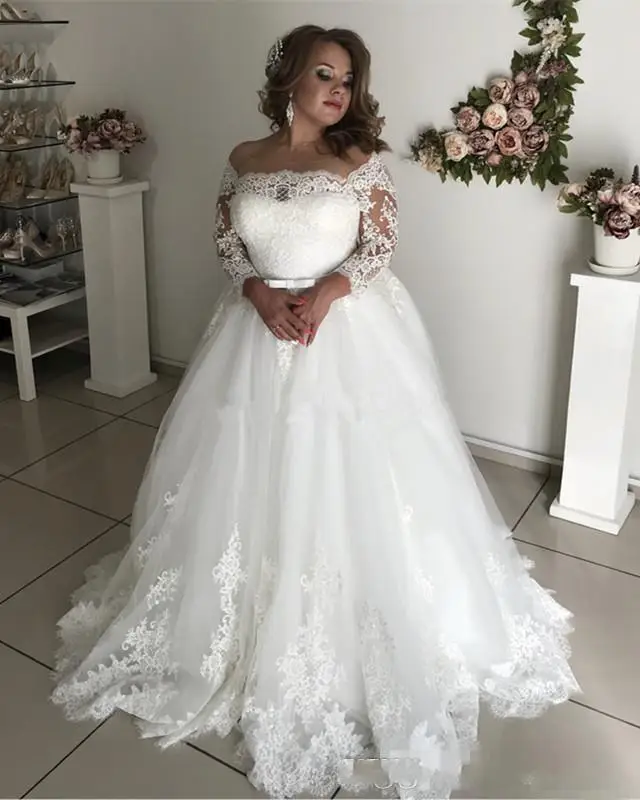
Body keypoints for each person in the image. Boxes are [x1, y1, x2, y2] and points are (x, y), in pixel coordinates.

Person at [51, 24, 580, 800]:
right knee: (240, 479)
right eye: (325, 74)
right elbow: (229, 247)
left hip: (346, 333)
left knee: (353, 480)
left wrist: (328, 291)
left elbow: (377, 249)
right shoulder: (244, 159)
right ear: (289, 79)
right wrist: (257, 291)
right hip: (256, 330)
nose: (339, 90)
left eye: (349, 79)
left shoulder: (359, 160)